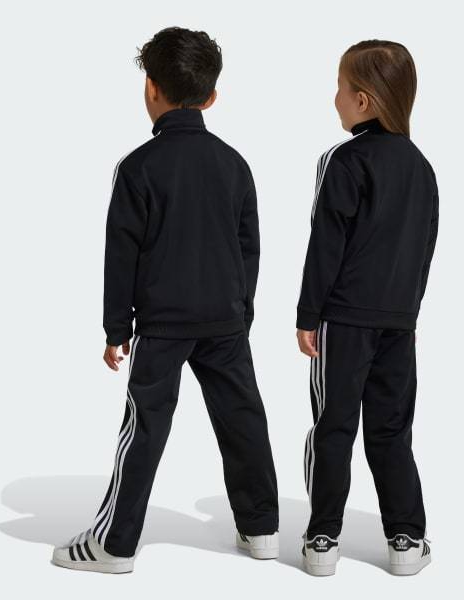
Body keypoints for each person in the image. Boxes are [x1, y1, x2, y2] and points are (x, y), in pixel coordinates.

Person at [51, 26, 279, 573]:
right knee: (244, 420)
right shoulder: (235, 164)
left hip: (163, 325)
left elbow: (121, 255)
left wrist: (116, 329)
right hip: (225, 321)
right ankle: (262, 529)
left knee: (145, 429)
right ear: (212, 96)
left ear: (151, 88)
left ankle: (115, 545)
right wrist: (242, 311)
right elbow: (249, 247)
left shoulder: (138, 168)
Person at [296, 40, 438, 577]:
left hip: (345, 321)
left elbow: (325, 244)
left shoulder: (343, 160)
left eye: (339, 88)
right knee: (391, 430)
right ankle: (406, 539)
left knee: (333, 426)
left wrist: (307, 315)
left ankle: (322, 540)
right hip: (399, 323)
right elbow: (424, 249)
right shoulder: (423, 168)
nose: (333, 98)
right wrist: (409, 314)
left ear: (363, 100)